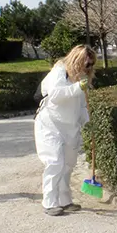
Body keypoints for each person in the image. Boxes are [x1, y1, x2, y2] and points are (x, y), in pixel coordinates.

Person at [34, 44, 96, 216]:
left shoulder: (82, 78)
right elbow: (55, 95)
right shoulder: (59, 72)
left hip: (70, 128)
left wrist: (87, 122)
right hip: (50, 125)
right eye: (86, 64)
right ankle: (49, 202)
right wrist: (77, 88)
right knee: (55, 163)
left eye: (91, 64)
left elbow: (82, 105)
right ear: (76, 60)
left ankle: (65, 200)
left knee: (68, 165)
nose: (88, 68)